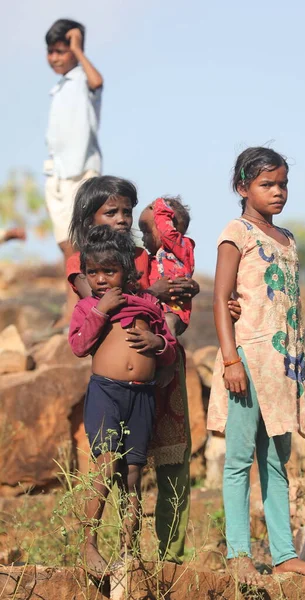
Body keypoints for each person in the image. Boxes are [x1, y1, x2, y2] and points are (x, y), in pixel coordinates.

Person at [208, 146, 305, 586]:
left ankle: (283, 554)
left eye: (283, 184)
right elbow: (221, 299)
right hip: (246, 362)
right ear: (243, 188)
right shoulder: (235, 232)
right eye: (267, 184)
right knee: (239, 459)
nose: (278, 192)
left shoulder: (288, 239)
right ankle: (238, 553)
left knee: (277, 460)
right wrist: (230, 359)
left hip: (283, 368)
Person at [67, 176, 199, 565]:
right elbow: (99, 301)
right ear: (89, 218)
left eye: (127, 211)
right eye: (112, 212)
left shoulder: (145, 257)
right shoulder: (86, 262)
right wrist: (154, 294)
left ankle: (164, 557)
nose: (123, 219)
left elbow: (170, 304)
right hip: (113, 386)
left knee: (153, 467)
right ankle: (90, 544)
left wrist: (179, 295)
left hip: (158, 373)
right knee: (110, 464)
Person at [45, 18, 103, 327]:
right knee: (64, 244)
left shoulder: (83, 78)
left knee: (78, 243)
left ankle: (76, 312)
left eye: (60, 51)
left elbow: (97, 81)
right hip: (57, 175)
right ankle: (71, 308)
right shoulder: (58, 87)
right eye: (51, 52)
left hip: (81, 172)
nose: (54, 58)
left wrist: (79, 50)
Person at [139, 196, 195, 337]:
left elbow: (166, 233)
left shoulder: (182, 248)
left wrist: (160, 206)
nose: (142, 238)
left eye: (146, 232)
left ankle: (169, 354)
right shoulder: (148, 259)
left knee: (168, 322)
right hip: (155, 310)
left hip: (175, 311)